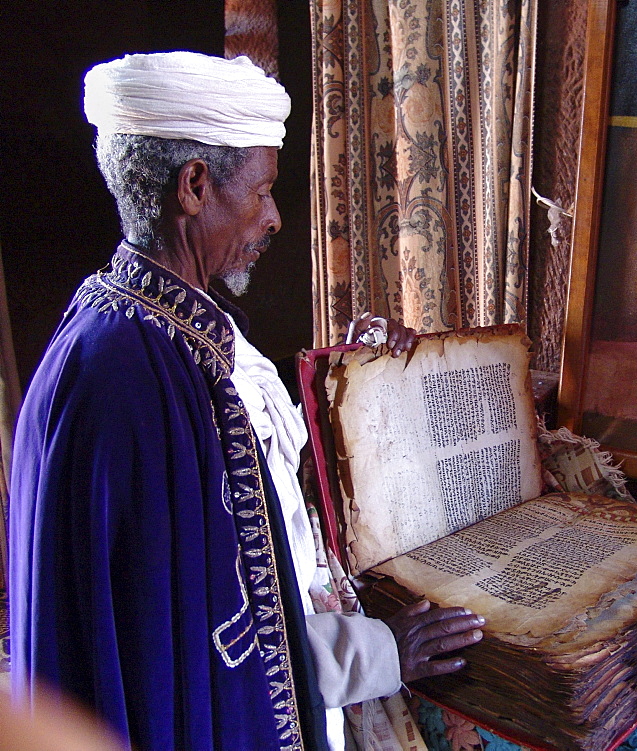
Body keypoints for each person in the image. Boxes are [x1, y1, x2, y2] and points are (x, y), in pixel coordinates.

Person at [8, 51, 484, 751]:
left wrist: (347, 386)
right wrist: (384, 653)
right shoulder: (129, 384)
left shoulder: (156, 323)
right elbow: (224, 644)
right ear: (195, 185)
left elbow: (252, 494)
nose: (275, 218)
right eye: (261, 191)